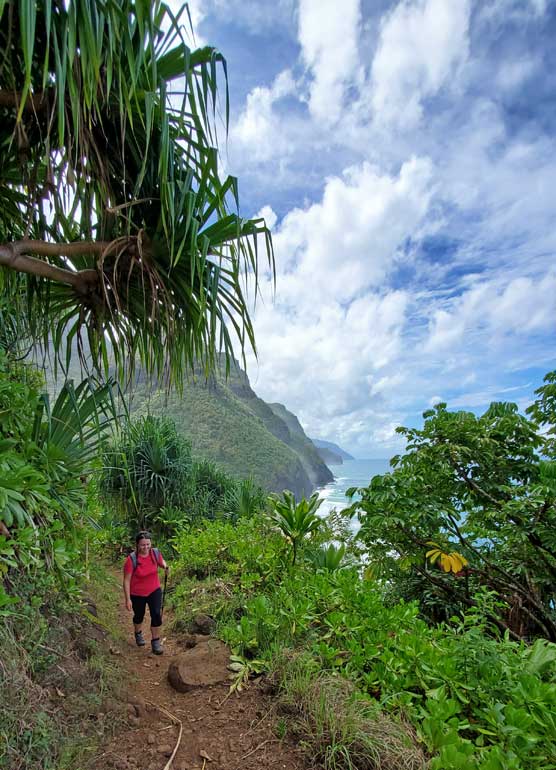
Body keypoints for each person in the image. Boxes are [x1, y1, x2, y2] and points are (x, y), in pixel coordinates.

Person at [123, 530, 168, 655]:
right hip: (137, 593)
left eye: (148, 544)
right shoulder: (131, 559)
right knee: (139, 615)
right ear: (137, 545)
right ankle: (138, 633)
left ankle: (155, 641)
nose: (146, 547)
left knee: (156, 614)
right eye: (143, 545)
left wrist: (165, 566)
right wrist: (128, 599)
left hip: (154, 590)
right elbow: (126, 581)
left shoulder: (154, 553)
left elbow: (161, 561)